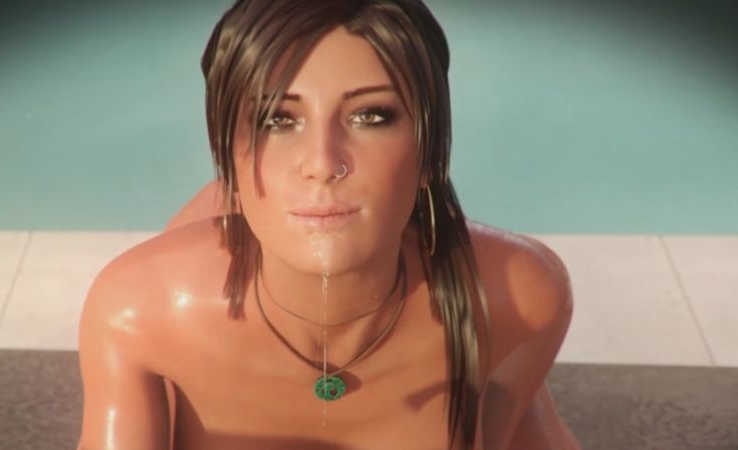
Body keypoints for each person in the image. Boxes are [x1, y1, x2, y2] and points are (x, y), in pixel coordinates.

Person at [76, 0, 581, 449]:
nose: (323, 163)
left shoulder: (522, 299)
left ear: (430, 151)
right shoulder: (140, 315)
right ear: (226, 154)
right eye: (277, 119)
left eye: (371, 116)